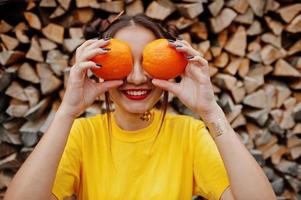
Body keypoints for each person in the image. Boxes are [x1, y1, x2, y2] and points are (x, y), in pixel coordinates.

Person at [4, 14, 276, 200]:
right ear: (99, 67)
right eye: (123, 62)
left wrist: (211, 112)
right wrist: (66, 112)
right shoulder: (82, 135)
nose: (136, 78)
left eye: (148, 61)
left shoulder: (189, 135)